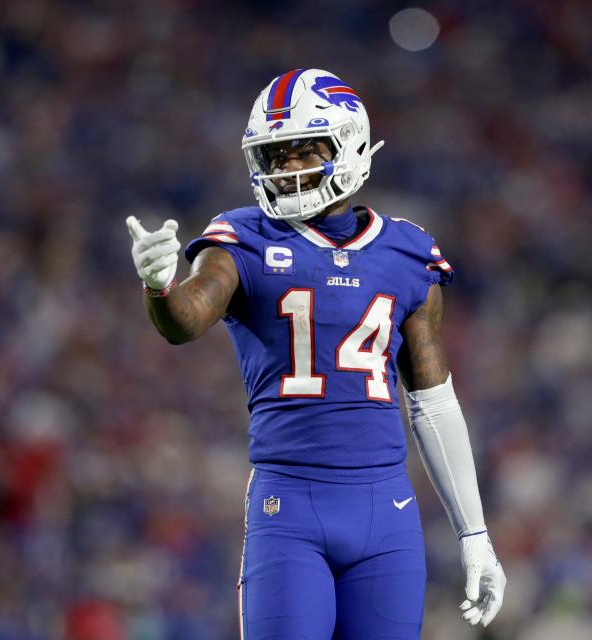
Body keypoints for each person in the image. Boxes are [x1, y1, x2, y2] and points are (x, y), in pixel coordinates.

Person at [126, 68, 505, 639]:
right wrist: (159, 286)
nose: (283, 170)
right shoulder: (243, 238)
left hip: (387, 513)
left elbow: (432, 402)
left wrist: (474, 535)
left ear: (349, 146)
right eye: (273, 157)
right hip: (289, 507)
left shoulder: (407, 250)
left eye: (301, 152)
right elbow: (186, 320)